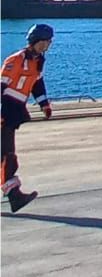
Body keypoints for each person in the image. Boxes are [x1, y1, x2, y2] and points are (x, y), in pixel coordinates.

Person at [2, 23, 55, 212]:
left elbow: (37, 84)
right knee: (7, 158)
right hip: (4, 113)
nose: (48, 45)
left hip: (13, 115)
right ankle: (14, 197)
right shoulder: (15, 60)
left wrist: (44, 105)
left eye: (49, 42)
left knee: (6, 157)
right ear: (35, 41)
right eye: (45, 41)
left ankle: (14, 197)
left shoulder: (38, 61)